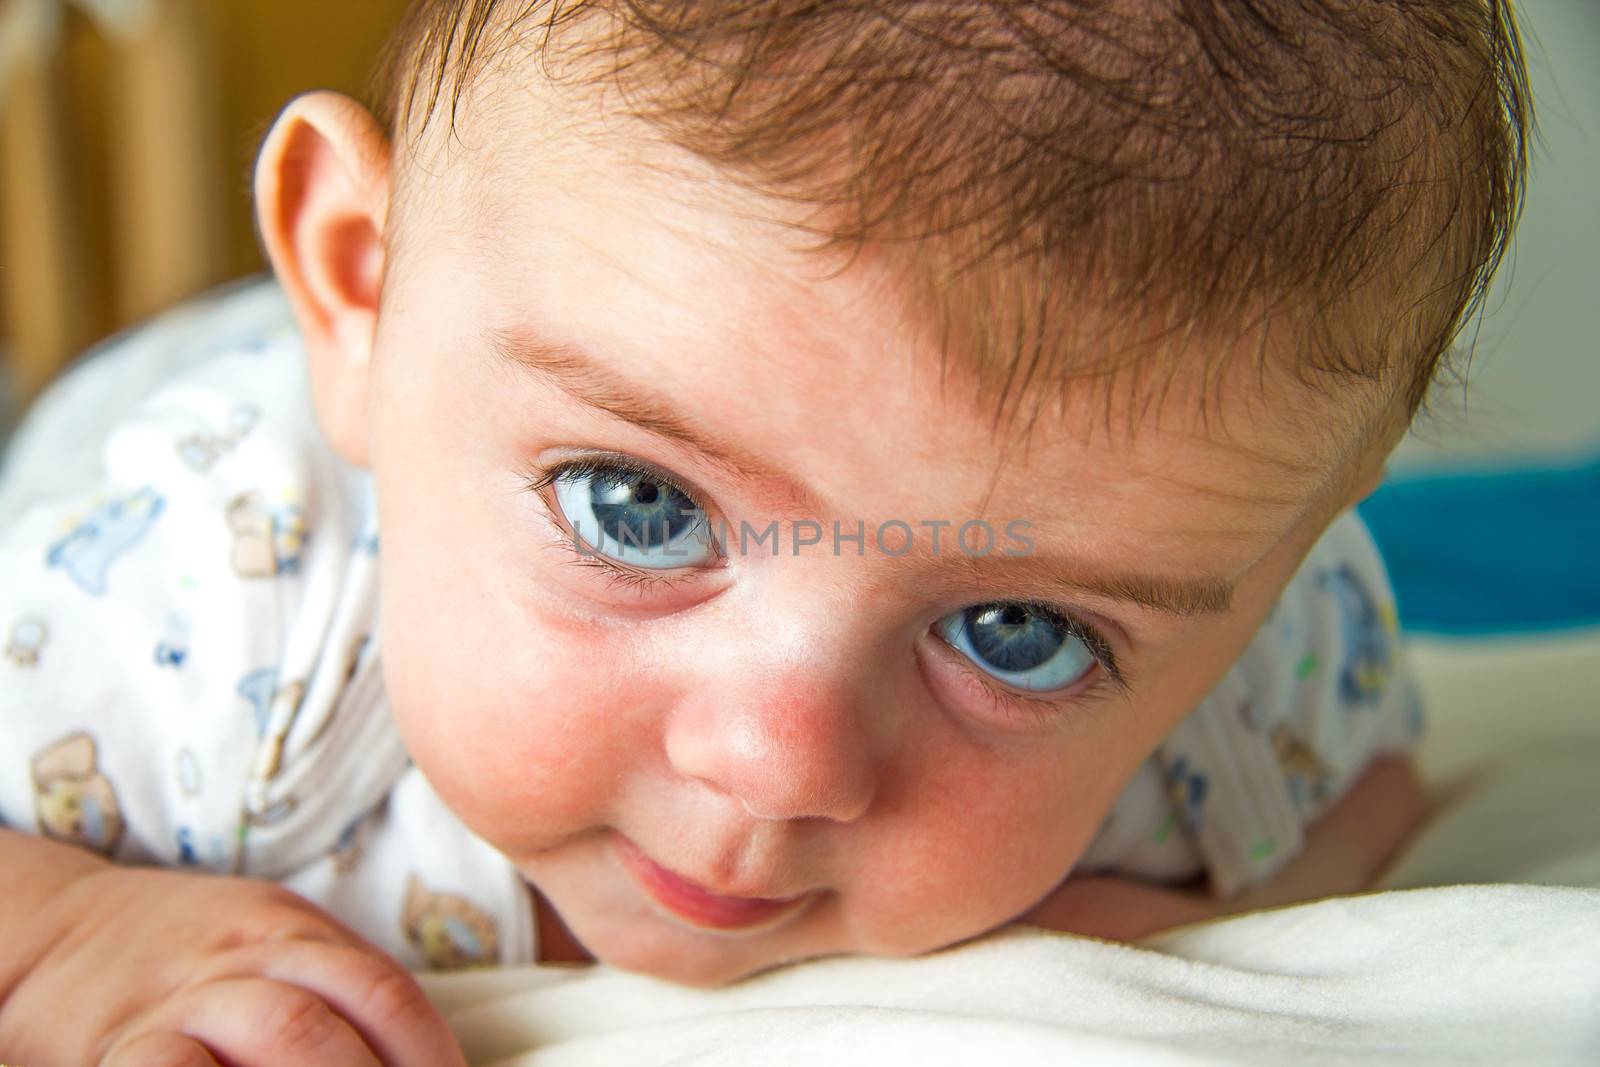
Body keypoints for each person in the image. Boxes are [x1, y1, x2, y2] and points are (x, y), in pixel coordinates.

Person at [0, 1, 1530, 1063]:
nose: (780, 762)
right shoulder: (183, 612)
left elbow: (1370, 789)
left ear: (1285, 560)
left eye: (1020, 635)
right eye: (639, 506)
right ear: (360, 285)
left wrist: (1209, 920)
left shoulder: (1249, 671)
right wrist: (67, 933)